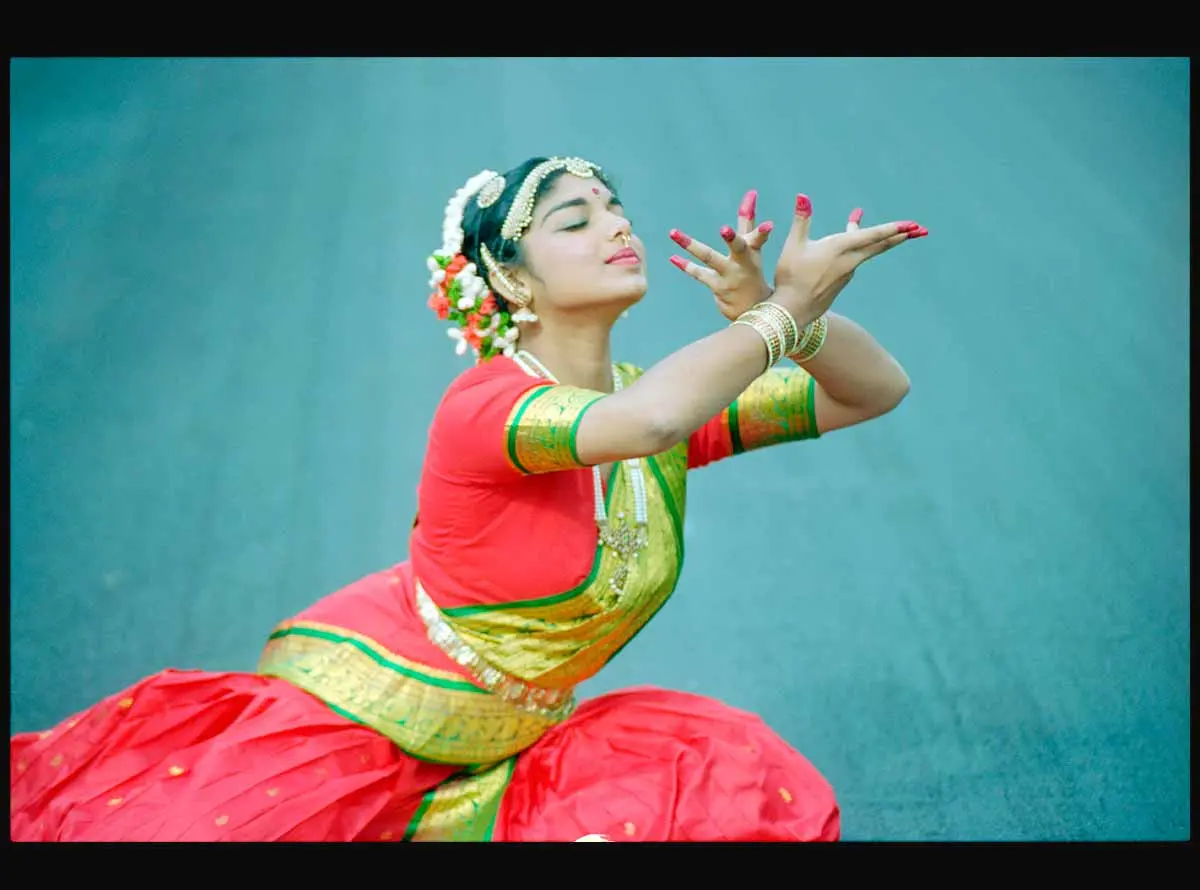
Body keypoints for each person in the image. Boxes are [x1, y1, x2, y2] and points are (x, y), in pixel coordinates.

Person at [10, 155, 926, 842]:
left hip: (513, 746)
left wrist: (795, 318)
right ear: (514, 280)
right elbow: (645, 422)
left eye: (616, 207)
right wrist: (774, 320)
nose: (615, 224)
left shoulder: (656, 405)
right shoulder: (488, 407)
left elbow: (871, 390)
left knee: (728, 779)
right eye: (575, 219)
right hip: (354, 742)